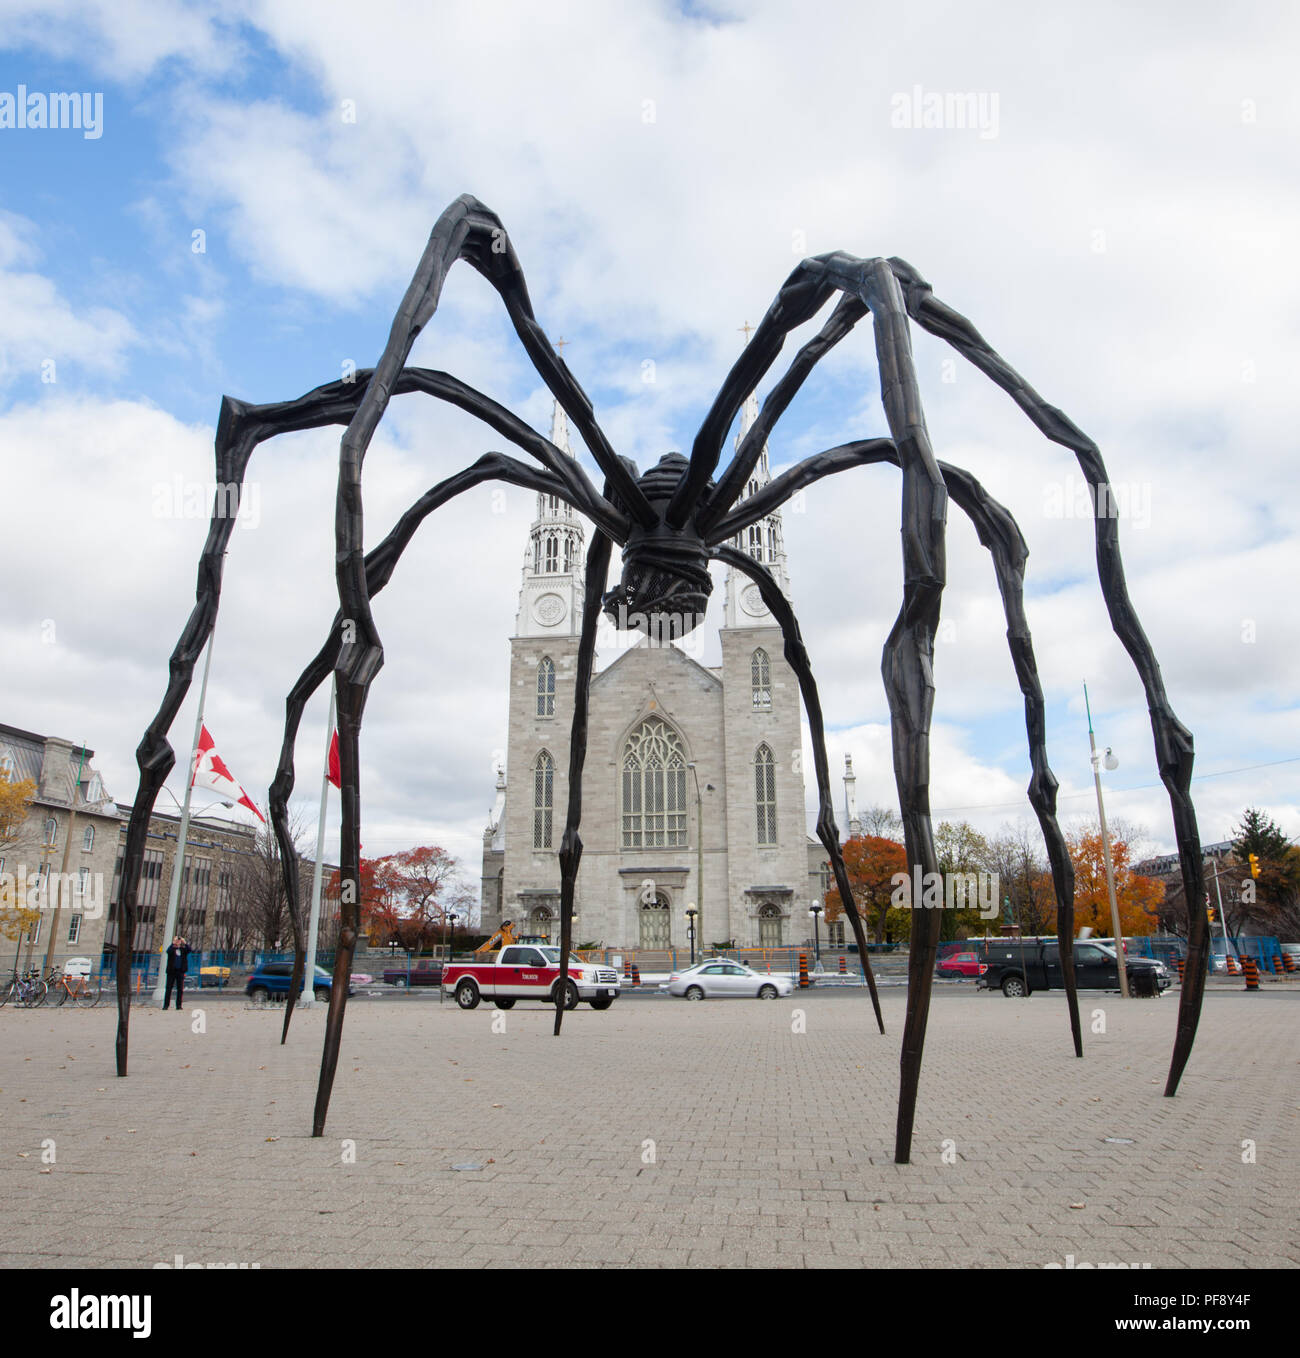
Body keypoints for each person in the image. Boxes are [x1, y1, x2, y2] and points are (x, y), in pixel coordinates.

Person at [163, 935, 191, 1010]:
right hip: (171, 971)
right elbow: (168, 951)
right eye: (177, 941)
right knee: (168, 988)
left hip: (180, 971)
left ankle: (178, 1005)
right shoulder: (172, 949)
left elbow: (189, 950)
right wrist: (173, 943)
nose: (178, 942)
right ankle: (166, 1005)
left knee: (180, 989)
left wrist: (184, 942)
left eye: (179, 941)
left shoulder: (183, 949)